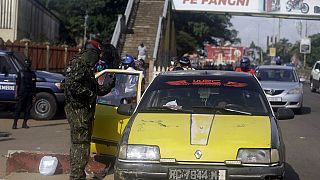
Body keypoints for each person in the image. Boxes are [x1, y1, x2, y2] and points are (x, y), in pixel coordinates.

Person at [64, 38, 116, 180]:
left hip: (85, 111)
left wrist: (109, 85)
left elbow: (96, 90)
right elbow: (71, 85)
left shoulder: (86, 67)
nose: (97, 60)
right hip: (78, 110)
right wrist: (90, 94)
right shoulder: (79, 64)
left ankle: (78, 174)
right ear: (91, 53)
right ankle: (76, 176)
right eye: (96, 55)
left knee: (82, 144)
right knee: (80, 144)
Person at [12, 59, 37, 129]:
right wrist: (16, 93)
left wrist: (34, 95)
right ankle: (15, 123)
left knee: (28, 109)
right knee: (19, 108)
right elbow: (17, 84)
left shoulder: (32, 74)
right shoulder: (20, 73)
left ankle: (24, 123)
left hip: (30, 93)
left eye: (29, 64)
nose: (27, 65)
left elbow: (34, 85)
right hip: (22, 93)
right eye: (26, 64)